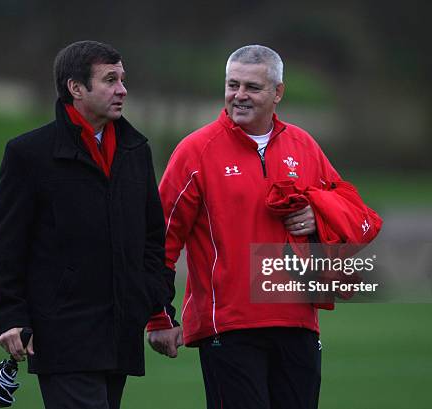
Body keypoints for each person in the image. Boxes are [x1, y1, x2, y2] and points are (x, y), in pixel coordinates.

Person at [146, 45, 381, 409]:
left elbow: (352, 211)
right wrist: (158, 314)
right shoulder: (196, 151)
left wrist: (318, 216)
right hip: (229, 328)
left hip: (298, 322)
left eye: (252, 87)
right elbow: (159, 237)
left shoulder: (304, 145)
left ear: (278, 93)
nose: (239, 95)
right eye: (232, 84)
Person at [0, 40, 174, 409]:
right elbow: (6, 245)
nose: (122, 89)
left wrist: (153, 302)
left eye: (122, 79)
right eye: (109, 80)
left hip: (120, 333)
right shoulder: (28, 154)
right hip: (60, 334)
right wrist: (10, 317)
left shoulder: (137, 151)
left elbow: (154, 239)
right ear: (76, 88)